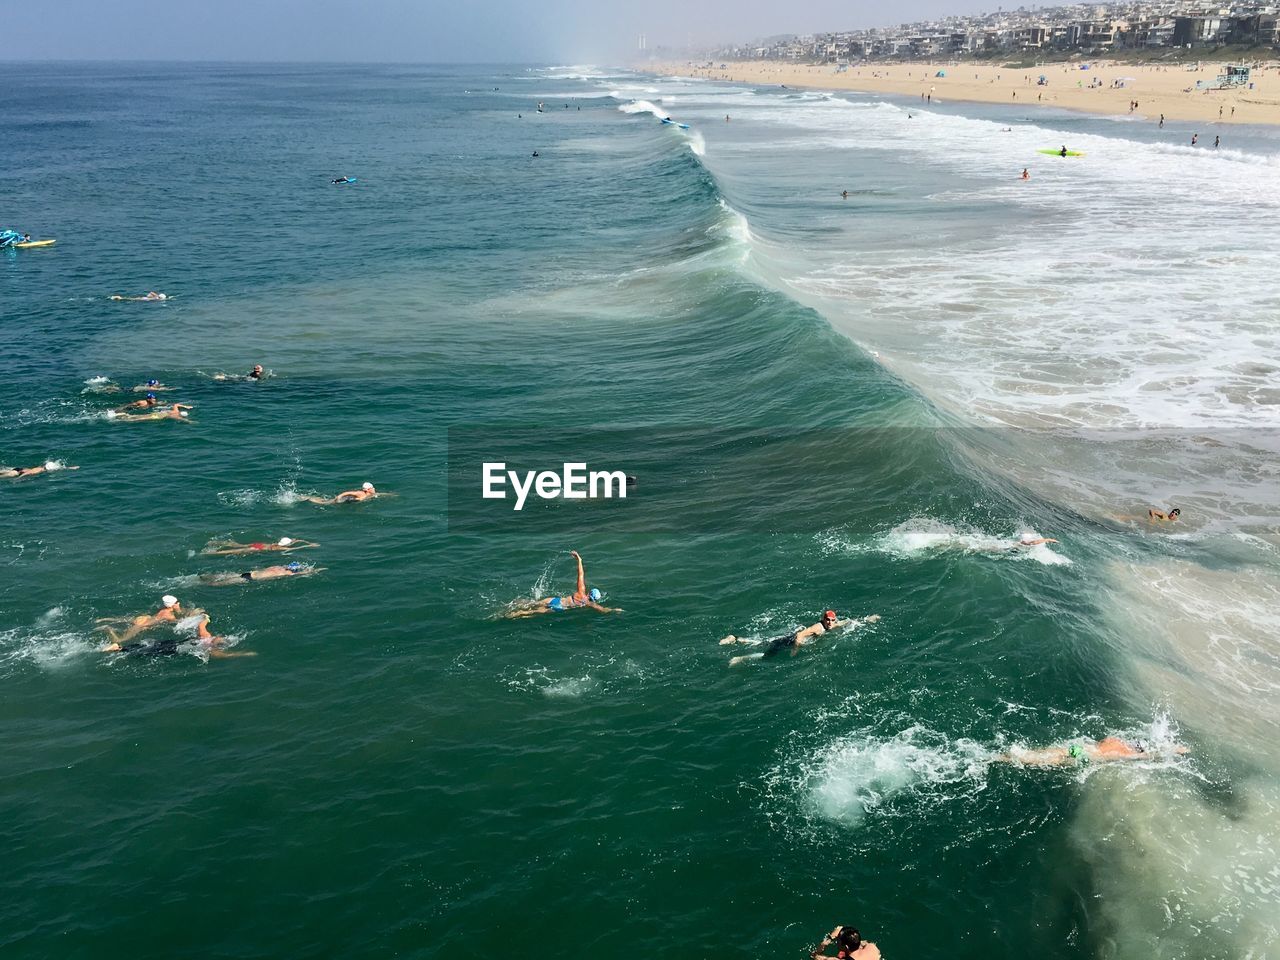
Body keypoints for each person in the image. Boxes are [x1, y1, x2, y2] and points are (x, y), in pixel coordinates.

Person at [721, 610, 880, 666]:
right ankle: (740, 658)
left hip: (788, 639)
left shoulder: (832, 625)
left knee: (762, 642)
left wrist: (867, 619)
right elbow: (800, 635)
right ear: (823, 619)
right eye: (828, 620)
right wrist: (796, 649)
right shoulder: (818, 627)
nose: (830, 623)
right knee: (766, 656)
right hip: (789, 642)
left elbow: (848, 621)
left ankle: (735, 638)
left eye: (832, 620)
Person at [501, 550, 620, 617]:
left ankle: (514, 604)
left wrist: (579, 560)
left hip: (556, 601)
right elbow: (602, 609)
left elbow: (581, 575)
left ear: (589, 592)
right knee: (533, 612)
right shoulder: (588, 603)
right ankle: (515, 614)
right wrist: (614, 610)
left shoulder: (581, 592)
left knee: (534, 602)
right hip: (559, 608)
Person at [102, 613, 253, 658]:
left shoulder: (205, 637)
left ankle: (120, 647)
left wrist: (205, 618)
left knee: (151, 645)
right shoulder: (207, 645)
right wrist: (242, 654)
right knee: (149, 650)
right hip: (174, 649)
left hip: (174, 643)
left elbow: (201, 625)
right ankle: (119, 650)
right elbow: (222, 655)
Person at [997, 736, 1188, 767]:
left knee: (1053, 751)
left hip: (1082, 748)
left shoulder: (1115, 740)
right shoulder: (1127, 753)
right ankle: (1008, 759)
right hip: (1085, 756)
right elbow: (1150, 755)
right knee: (1050, 760)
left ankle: (1015, 754)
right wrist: (1175, 750)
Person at [96, 595, 193, 646]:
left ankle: (104, 619)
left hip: (143, 618)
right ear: (172, 604)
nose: (178, 603)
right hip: (141, 625)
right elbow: (178, 622)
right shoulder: (167, 614)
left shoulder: (164, 610)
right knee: (120, 640)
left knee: (124, 619)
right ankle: (108, 629)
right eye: (176, 602)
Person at [200, 562, 324, 586]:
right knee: (216, 584)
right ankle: (203, 584)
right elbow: (299, 574)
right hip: (249, 580)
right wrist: (314, 571)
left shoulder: (277, 566)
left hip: (248, 573)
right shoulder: (286, 574)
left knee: (220, 576)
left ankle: (200, 578)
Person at [813, 925, 880, 959]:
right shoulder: (872, 947)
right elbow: (863, 942)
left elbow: (815, 955)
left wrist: (828, 939)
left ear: (846, 947)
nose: (837, 942)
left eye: (838, 941)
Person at [202, 536, 318, 556]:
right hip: (258, 548)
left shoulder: (277, 544)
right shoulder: (283, 548)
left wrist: (308, 542)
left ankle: (214, 543)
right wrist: (308, 546)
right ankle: (211, 552)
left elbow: (296, 540)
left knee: (237, 545)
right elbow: (295, 547)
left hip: (259, 544)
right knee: (232, 552)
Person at [303, 481, 381, 505]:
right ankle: (307, 498)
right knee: (323, 503)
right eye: (372, 488)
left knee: (324, 500)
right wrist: (339, 497)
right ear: (367, 490)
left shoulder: (371, 494)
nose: (374, 489)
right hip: (340, 500)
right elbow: (347, 493)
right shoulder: (360, 493)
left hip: (346, 501)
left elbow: (381, 494)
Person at [109, 402, 193, 422]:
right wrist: (189, 421)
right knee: (141, 418)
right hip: (158, 416)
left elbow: (176, 404)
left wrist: (186, 406)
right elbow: (182, 420)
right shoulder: (176, 415)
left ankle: (125, 414)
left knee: (143, 415)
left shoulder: (175, 410)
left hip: (158, 413)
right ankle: (125, 418)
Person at [1, 461, 79, 479]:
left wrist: (71, 468)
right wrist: (18, 479)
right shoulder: (39, 470)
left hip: (18, 469)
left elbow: (59, 467)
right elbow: (29, 472)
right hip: (17, 473)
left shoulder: (41, 467)